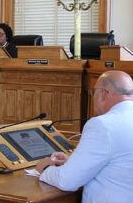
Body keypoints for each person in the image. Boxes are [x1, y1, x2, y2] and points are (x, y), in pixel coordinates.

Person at [36, 70, 133, 203]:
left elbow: (67, 181)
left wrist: (45, 169)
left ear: (103, 93)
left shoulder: (103, 125)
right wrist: (73, 161)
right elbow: (119, 162)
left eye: (94, 93)